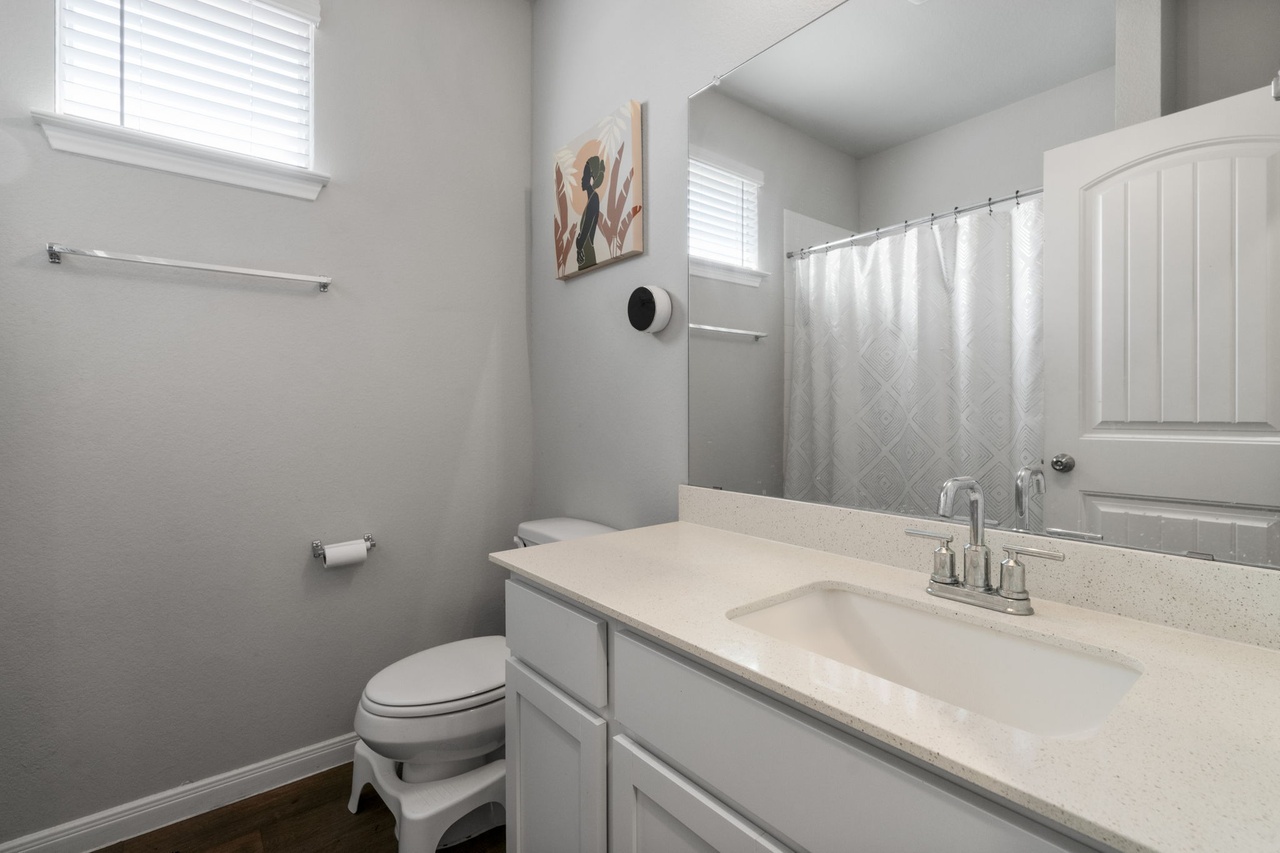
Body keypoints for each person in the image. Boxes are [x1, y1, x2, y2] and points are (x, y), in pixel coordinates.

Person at [576, 155, 605, 270]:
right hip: (584, 253)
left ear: (592, 177)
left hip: (586, 254)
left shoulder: (594, 198)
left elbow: (586, 230)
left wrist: (579, 245)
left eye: (585, 175)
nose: (582, 179)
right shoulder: (591, 200)